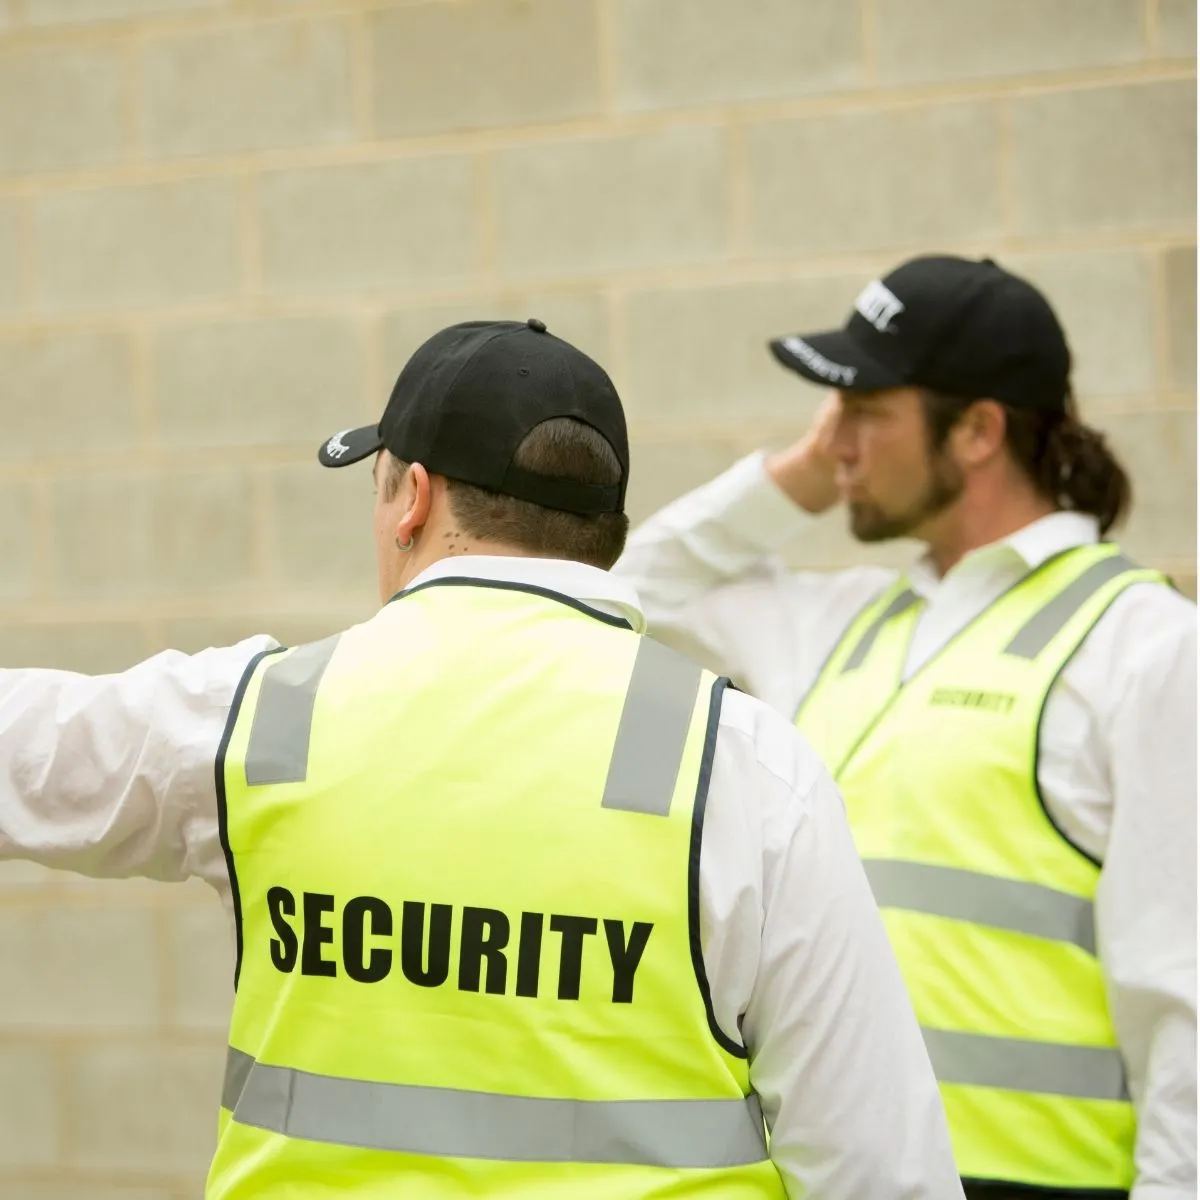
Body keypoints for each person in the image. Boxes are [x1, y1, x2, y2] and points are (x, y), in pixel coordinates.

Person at [0, 318, 964, 1198]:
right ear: (604, 533)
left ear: (411, 498)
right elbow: (880, 1168)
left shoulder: (254, 717)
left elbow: (24, 751)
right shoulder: (744, 764)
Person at [615, 255, 1198, 1200]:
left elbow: (1185, 1002)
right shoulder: (840, 620)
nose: (835, 441)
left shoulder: (1148, 646)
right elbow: (624, 592)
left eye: (865, 412)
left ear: (977, 431)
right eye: (828, 417)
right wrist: (805, 476)